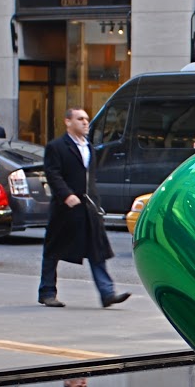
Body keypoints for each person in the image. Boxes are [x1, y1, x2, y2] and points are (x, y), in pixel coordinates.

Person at [38, 105, 130, 309]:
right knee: (53, 250)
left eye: (86, 119)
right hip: (65, 209)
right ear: (68, 122)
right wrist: (66, 194)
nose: (86, 123)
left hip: (88, 207)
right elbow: (53, 174)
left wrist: (95, 202)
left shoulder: (88, 146)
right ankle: (47, 292)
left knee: (96, 250)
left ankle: (107, 293)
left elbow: (90, 178)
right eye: (80, 119)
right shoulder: (57, 147)